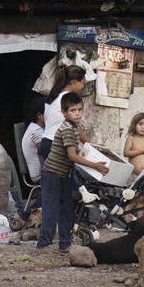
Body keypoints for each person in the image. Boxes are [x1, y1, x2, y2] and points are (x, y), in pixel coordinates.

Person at [37, 92, 108, 251]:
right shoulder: (67, 129)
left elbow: (78, 151)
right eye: (73, 110)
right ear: (64, 113)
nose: (77, 113)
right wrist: (94, 165)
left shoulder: (75, 127)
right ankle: (43, 243)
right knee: (51, 209)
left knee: (67, 209)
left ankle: (64, 243)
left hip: (63, 174)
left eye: (79, 110)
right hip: (52, 173)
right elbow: (72, 156)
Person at [42, 65, 88, 160]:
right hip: (56, 145)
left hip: (46, 142)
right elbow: (76, 127)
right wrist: (90, 144)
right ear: (75, 81)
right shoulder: (68, 99)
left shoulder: (54, 96)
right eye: (83, 83)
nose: (83, 86)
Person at [20, 97, 46, 182]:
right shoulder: (36, 131)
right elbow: (50, 154)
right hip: (41, 177)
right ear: (39, 115)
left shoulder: (36, 127)